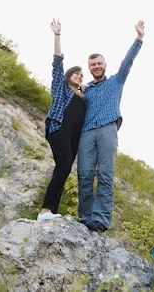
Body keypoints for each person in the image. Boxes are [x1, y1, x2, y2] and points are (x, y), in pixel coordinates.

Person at [77, 20, 145, 233]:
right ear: (89, 68)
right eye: (92, 65)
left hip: (107, 129)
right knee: (85, 174)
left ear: (104, 65)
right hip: (86, 132)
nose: (96, 66)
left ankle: (100, 220)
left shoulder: (116, 81)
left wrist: (139, 38)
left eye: (99, 63)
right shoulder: (85, 90)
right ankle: (86, 216)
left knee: (105, 174)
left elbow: (128, 62)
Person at [37, 19, 87, 222]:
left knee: (63, 169)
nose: (80, 75)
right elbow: (57, 61)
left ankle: (51, 211)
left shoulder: (84, 96)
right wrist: (57, 35)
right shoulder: (61, 87)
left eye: (82, 75)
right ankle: (45, 211)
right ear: (68, 76)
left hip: (74, 137)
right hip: (59, 128)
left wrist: (85, 91)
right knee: (64, 165)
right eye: (76, 73)